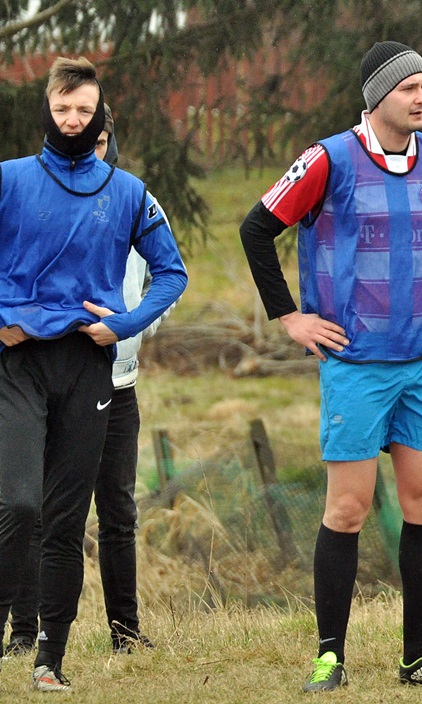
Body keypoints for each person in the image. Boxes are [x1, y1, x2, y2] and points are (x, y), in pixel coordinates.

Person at [238, 41, 422, 691]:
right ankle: (330, 656)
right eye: (410, 88)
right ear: (379, 96)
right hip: (354, 363)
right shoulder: (329, 158)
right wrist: (288, 316)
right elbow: (256, 227)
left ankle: (418, 655)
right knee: (346, 509)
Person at [0, 58, 187, 692]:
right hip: (19, 362)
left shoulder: (129, 192)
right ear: (46, 109)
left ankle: (49, 657)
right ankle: (12, 624)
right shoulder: (9, 181)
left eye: (84, 111)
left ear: (99, 114)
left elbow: (173, 274)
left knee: (65, 519)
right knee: (18, 504)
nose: (73, 121)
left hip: (89, 365)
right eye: (62, 109)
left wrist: (126, 322)